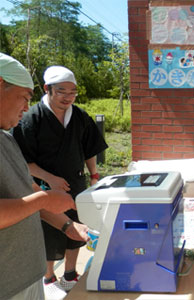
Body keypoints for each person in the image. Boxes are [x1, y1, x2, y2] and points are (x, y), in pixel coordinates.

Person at [11, 66, 108, 299]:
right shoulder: (31, 118)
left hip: (75, 182)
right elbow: (23, 160)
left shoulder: (80, 116)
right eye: (62, 91)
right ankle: (48, 276)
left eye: (72, 92)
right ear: (47, 89)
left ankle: (70, 273)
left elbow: (90, 149)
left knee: (77, 227)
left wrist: (93, 176)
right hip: (43, 186)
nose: (68, 97)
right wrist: (48, 178)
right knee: (48, 231)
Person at [0, 54, 89, 300]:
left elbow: (26, 192)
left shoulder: (5, 138)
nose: (26, 107)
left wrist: (68, 225)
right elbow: (35, 199)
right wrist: (44, 199)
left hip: (26, 277)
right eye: (24, 97)